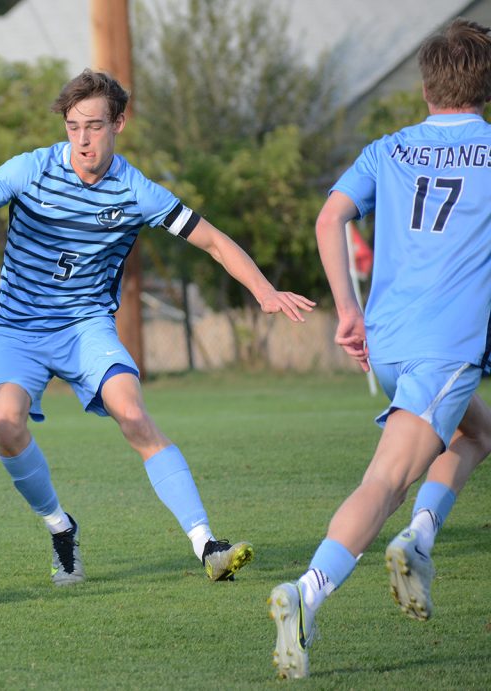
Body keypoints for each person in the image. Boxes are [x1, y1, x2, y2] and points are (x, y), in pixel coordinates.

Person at [0, 69, 314, 588]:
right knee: (4, 422)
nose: (83, 139)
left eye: (94, 126)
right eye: (73, 127)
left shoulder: (136, 191)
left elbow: (214, 241)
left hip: (86, 326)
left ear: (119, 123)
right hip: (19, 330)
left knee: (132, 413)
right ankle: (61, 528)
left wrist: (264, 291)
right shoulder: (30, 169)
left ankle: (207, 545)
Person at [269, 18, 491, 679]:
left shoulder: (388, 149)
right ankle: (306, 595)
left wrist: (348, 311)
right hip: (445, 351)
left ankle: (418, 541)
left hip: (390, 344)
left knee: (477, 433)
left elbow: (329, 217)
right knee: (386, 481)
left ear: (425, 87)